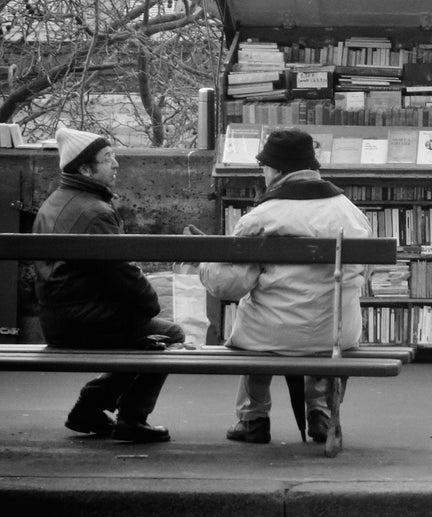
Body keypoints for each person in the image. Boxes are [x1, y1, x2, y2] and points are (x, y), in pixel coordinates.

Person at [200, 128, 376, 445]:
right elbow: (361, 272)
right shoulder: (351, 213)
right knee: (322, 314)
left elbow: (232, 287)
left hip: (270, 336)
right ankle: (321, 410)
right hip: (336, 335)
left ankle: (253, 418)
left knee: (253, 321)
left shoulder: (262, 216)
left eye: (264, 168)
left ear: (278, 170)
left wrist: (204, 264)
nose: (263, 175)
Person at [32, 126, 184, 444]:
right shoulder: (94, 212)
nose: (116, 164)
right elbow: (123, 274)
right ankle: (132, 418)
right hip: (81, 321)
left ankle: (89, 408)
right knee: (168, 335)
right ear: (86, 168)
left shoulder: (54, 202)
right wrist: (150, 306)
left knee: (145, 336)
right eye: (108, 158)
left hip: (59, 317)